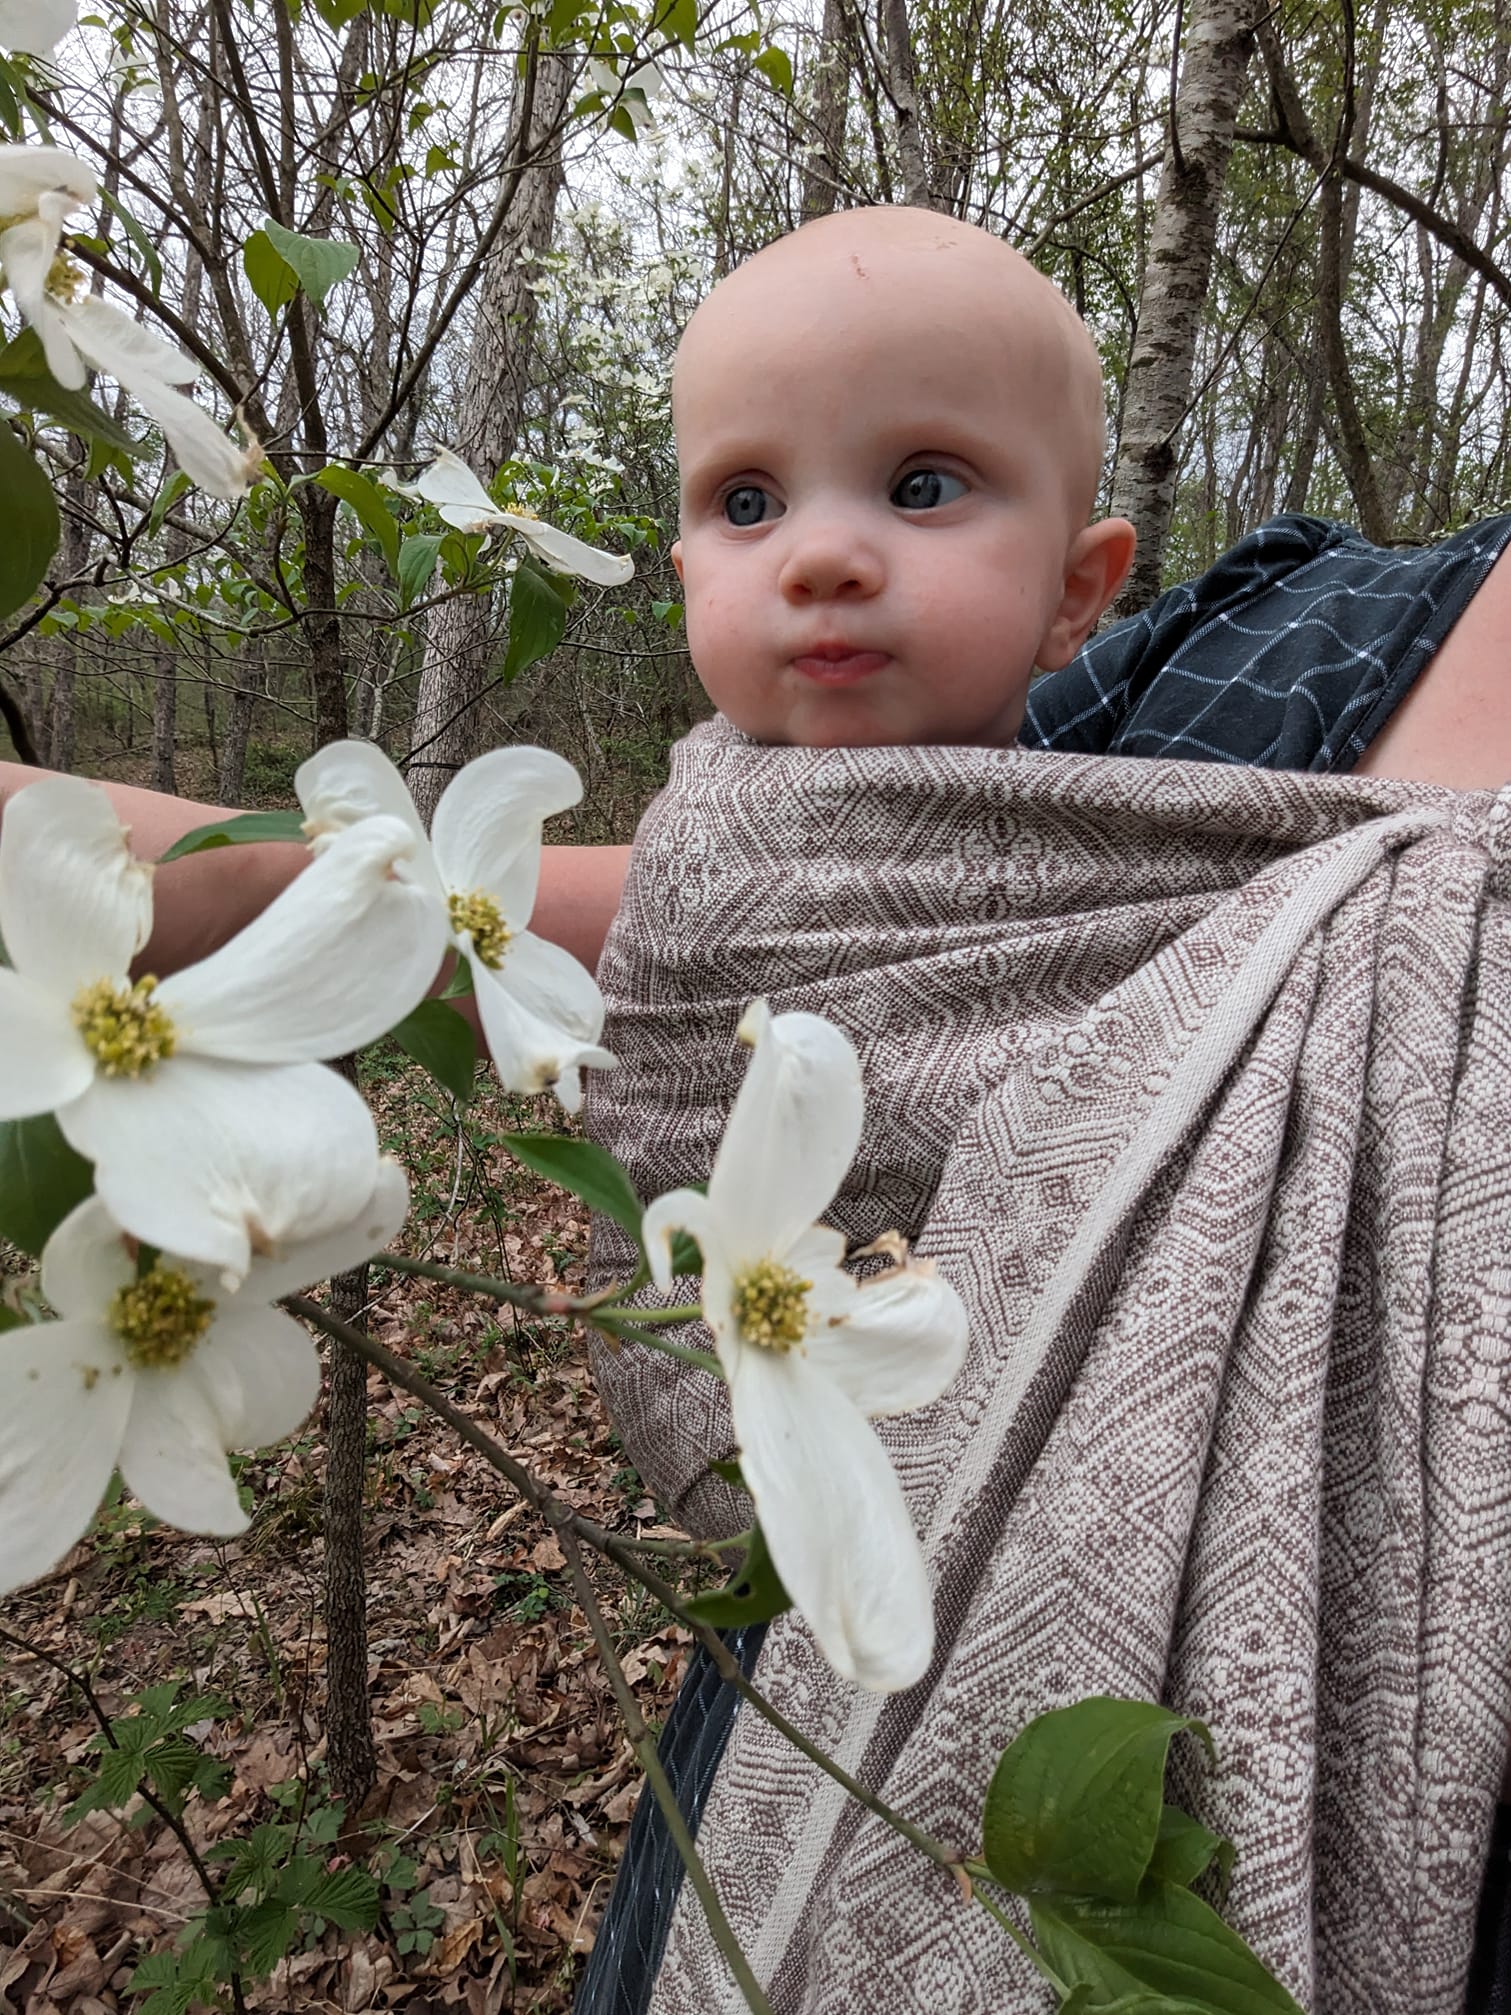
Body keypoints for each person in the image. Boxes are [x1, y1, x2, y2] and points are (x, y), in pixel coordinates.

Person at [3, 205, 1510, 2007]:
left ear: (1080, 585)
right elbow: (665, 959)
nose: (823, 558)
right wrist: (231, 886)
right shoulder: (745, 819)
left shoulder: (1089, 803)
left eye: (926, 486)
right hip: (776, 1597)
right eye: (745, 504)